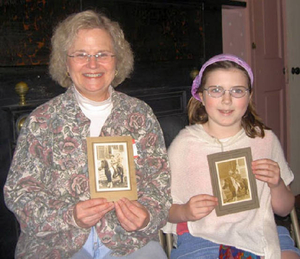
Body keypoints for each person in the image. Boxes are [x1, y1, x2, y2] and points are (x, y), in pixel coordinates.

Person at [4, 10, 171, 259]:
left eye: (102, 54)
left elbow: (159, 185)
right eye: (81, 54)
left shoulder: (140, 115)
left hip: (127, 242)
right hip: (57, 244)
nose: (92, 64)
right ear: (66, 62)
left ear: (117, 61)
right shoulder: (43, 120)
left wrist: (146, 217)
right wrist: (69, 216)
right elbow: (20, 193)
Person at [163, 54, 300, 259]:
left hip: (261, 230)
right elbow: (163, 209)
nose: (226, 100)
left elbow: (284, 209)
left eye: (237, 91)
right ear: (201, 95)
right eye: (216, 90)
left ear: (249, 96)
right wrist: (185, 211)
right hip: (202, 237)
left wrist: (277, 183)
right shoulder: (185, 145)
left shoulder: (264, 140)